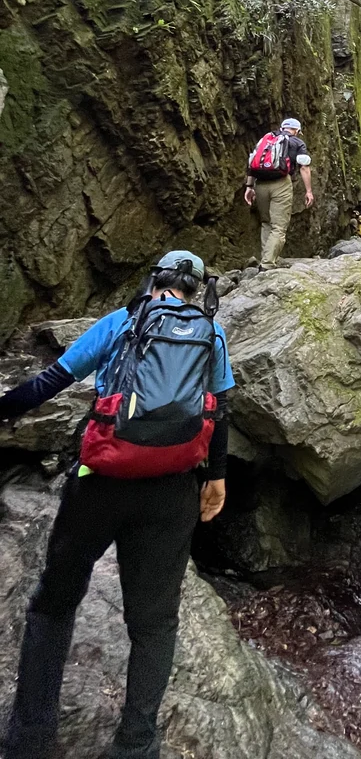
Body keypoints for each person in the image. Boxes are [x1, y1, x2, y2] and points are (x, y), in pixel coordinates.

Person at [0, 250, 234, 759]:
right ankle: (135, 745)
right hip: (172, 491)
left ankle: (30, 739)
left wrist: (4, 409)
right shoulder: (211, 334)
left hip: (101, 482)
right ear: (196, 290)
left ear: (154, 280)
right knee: (154, 624)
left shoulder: (121, 323)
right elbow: (220, 410)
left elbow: (51, 382)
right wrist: (215, 479)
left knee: (54, 603)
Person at [244, 117, 314, 268]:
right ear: (297, 131)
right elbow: (304, 167)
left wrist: (249, 187)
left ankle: (267, 258)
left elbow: (252, 163)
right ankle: (267, 263)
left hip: (260, 183)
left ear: (282, 128)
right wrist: (308, 191)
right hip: (281, 183)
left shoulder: (266, 139)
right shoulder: (297, 142)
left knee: (266, 222)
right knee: (279, 227)